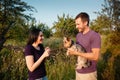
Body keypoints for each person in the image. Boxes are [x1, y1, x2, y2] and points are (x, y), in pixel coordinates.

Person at [67, 12, 101, 80]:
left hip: (89, 74)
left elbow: (95, 56)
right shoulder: (78, 35)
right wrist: (69, 46)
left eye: (78, 24)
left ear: (85, 22)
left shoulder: (95, 36)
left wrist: (76, 53)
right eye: (76, 24)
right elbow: (78, 50)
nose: (76, 26)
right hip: (78, 71)